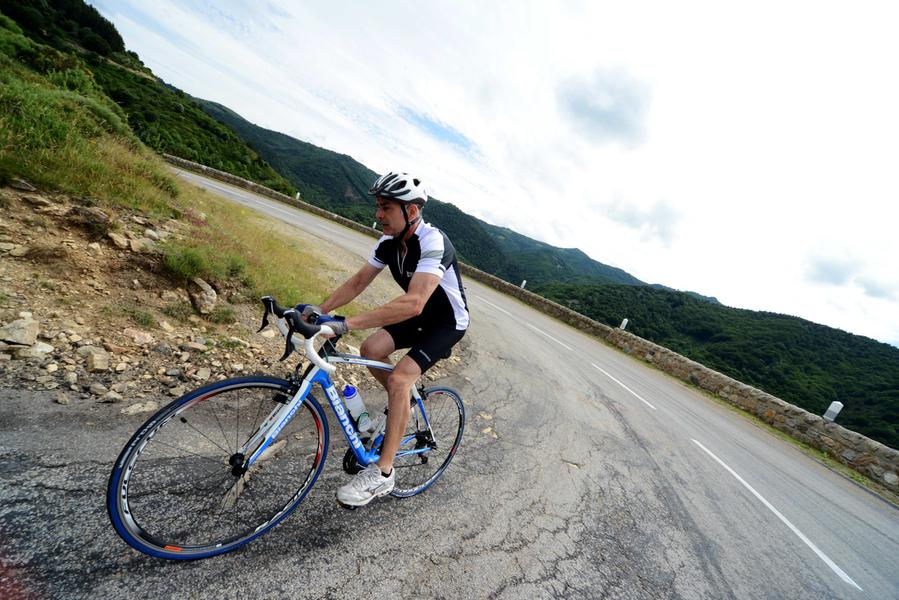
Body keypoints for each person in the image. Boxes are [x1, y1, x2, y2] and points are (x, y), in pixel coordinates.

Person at [311, 171, 470, 507]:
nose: (378, 214)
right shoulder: (387, 244)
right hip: (418, 317)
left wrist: (345, 324)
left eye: (386, 207)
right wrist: (319, 312)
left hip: (446, 322)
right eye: (378, 206)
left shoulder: (432, 242)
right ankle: (405, 405)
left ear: (411, 211)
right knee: (371, 349)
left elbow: (414, 302)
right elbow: (357, 283)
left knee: (399, 379)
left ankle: (383, 474)